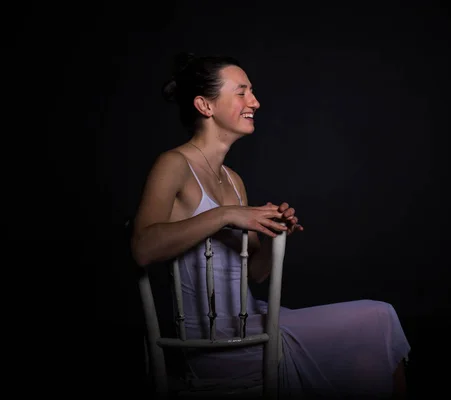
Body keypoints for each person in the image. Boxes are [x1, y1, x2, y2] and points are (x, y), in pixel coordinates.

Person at [131, 53, 411, 398]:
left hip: (255, 323)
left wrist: (274, 232)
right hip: (210, 344)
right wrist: (225, 215)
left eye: (253, 93)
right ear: (205, 105)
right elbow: (142, 248)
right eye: (242, 92)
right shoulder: (173, 164)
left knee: (373, 337)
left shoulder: (233, 180)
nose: (255, 102)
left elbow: (256, 274)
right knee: (378, 319)